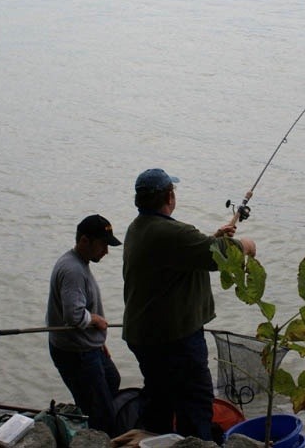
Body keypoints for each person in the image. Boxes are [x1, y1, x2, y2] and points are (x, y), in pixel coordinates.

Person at [121, 168, 256, 441]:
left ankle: (154, 439)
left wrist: (214, 236)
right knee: (194, 401)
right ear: (170, 196)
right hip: (173, 339)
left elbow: (186, 252)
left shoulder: (140, 228)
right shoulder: (172, 233)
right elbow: (216, 255)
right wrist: (246, 246)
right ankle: (192, 443)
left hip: (145, 335)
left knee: (160, 398)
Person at [46, 214, 123, 437]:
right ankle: (98, 436)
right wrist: (97, 321)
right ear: (84, 241)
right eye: (103, 245)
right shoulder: (73, 270)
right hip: (76, 353)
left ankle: (92, 420)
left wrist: (97, 342)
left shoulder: (79, 263)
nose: (106, 251)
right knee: (102, 416)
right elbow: (74, 315)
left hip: (87, 346)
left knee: (112, 380)